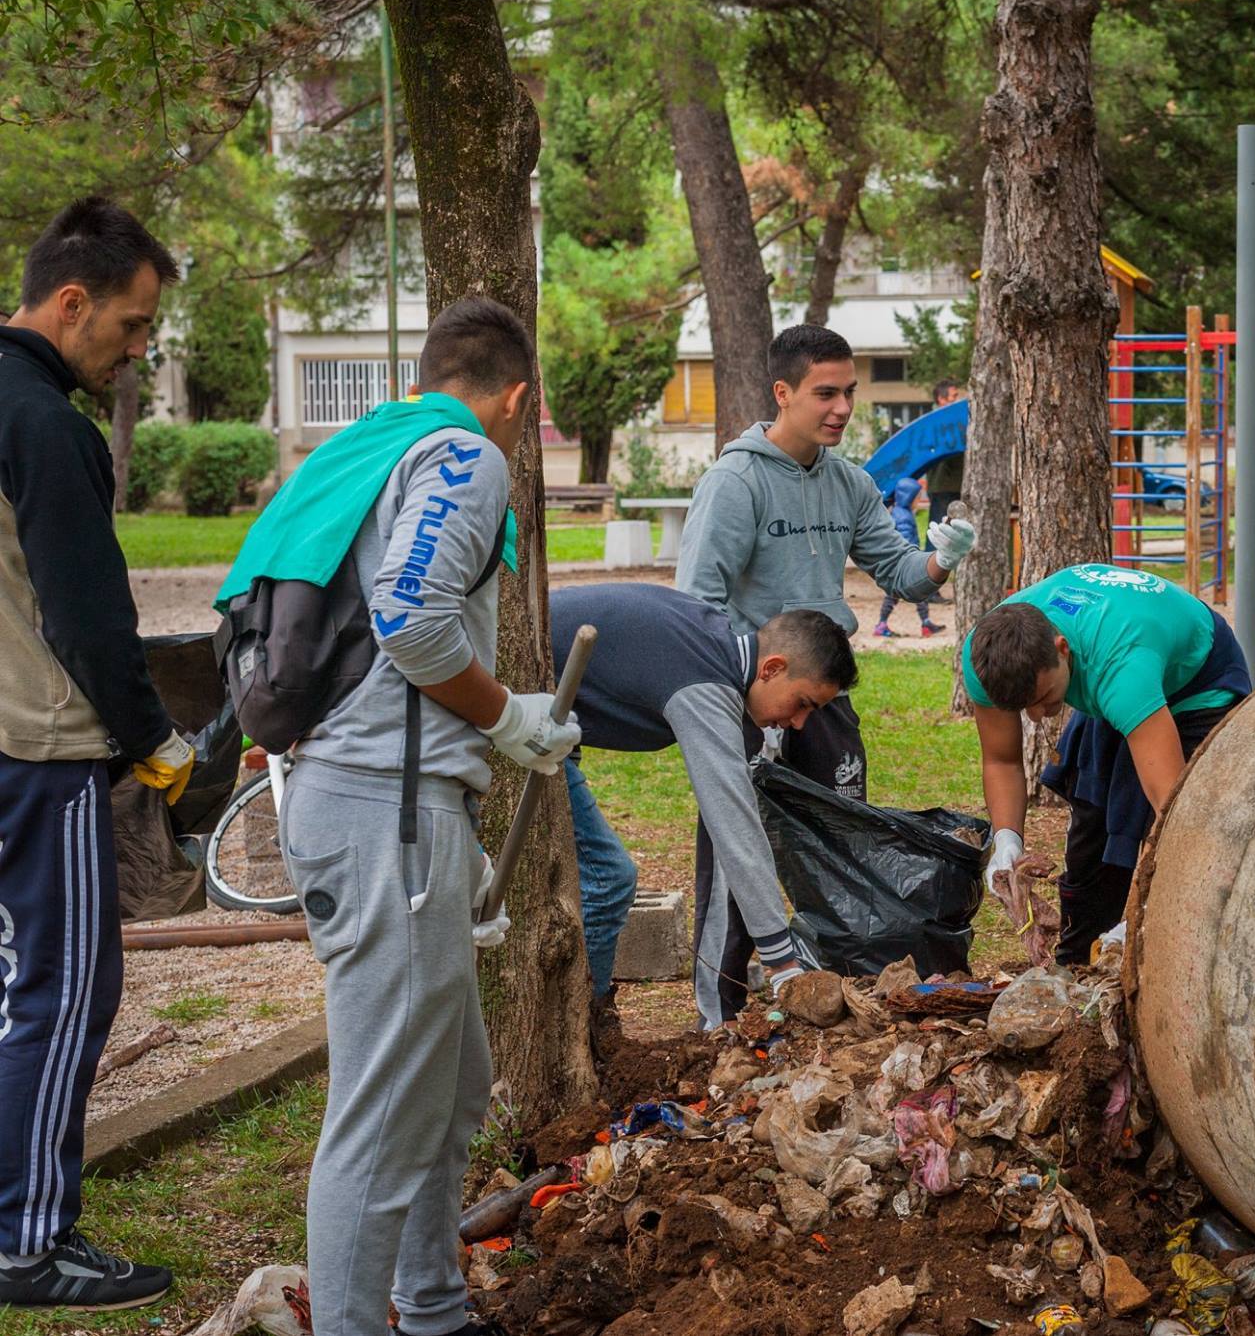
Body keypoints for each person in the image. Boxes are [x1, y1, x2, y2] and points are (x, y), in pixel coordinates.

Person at [243, 296, 580, 1336]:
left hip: (369, 803)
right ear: (515, 398)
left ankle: (431, 1306)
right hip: (384, 814)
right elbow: (411, 620)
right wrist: (508, 715)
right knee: (386, 1111)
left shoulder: (363, 449)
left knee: (449, 1084)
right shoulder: (462, 457)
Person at [0, 197, 193, 1309]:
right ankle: (27, 1244)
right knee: (66, 992)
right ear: (70, 304)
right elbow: (87, 616)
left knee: (19, 984)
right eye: (128, 326)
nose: (135, 351)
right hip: (40, 749)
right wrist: (152, 740)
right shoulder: (44, 424)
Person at [674, 325, 974, 963]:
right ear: (783, 393)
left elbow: (900, 574)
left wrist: (941, 559)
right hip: (753, 696)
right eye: (825, 393)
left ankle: (841, 982)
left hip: (825, 696)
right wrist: (749, 690)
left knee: (845, 841)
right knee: (739, 849)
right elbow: (697, 603)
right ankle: (721, 1008)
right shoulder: (735, 483)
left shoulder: (851, 484)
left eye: (850, 393)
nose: (842, 408)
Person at [550, 585, 857, 1029]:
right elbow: (735, 829)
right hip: (501, 714)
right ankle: (582, 1027)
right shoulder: (705, 687)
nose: (798, 723)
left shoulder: (714, 640)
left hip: (550, 720)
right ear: (772, 668)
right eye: (802, 704)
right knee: (608, 878)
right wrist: (781, 962)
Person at [964, 564, 1251, 966]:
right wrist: (1006, 838)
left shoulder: (1122, 671)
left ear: (1062, 650)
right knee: (1093, 833)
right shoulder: (985, 654)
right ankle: (1078, 964)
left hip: (1197, 682)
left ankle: (1164, 960)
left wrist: (1143, 911)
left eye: (1042, 697)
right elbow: (1001, 759)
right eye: (1020, 706)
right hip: (1110, 664)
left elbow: (1173, 809)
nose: (1034, 716)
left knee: (1160, 830)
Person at [875, 477, 942, 638]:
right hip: (901, 563)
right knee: (910, 592)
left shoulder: (900, 512)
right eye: (917, 498)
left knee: (907, 593)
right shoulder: (902, 516)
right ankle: (883, 624)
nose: (918, 501)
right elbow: (904, 540)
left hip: (899, 563)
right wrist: (914, 555)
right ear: (908, 497)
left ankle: (924, 623)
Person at [924, 379, 965, 528]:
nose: (957, 400)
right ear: (941, 399)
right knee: (939, 532)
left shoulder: (950, 421)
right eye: (953, 396)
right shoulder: (937, 424)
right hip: (943, 487)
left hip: (952, 486)